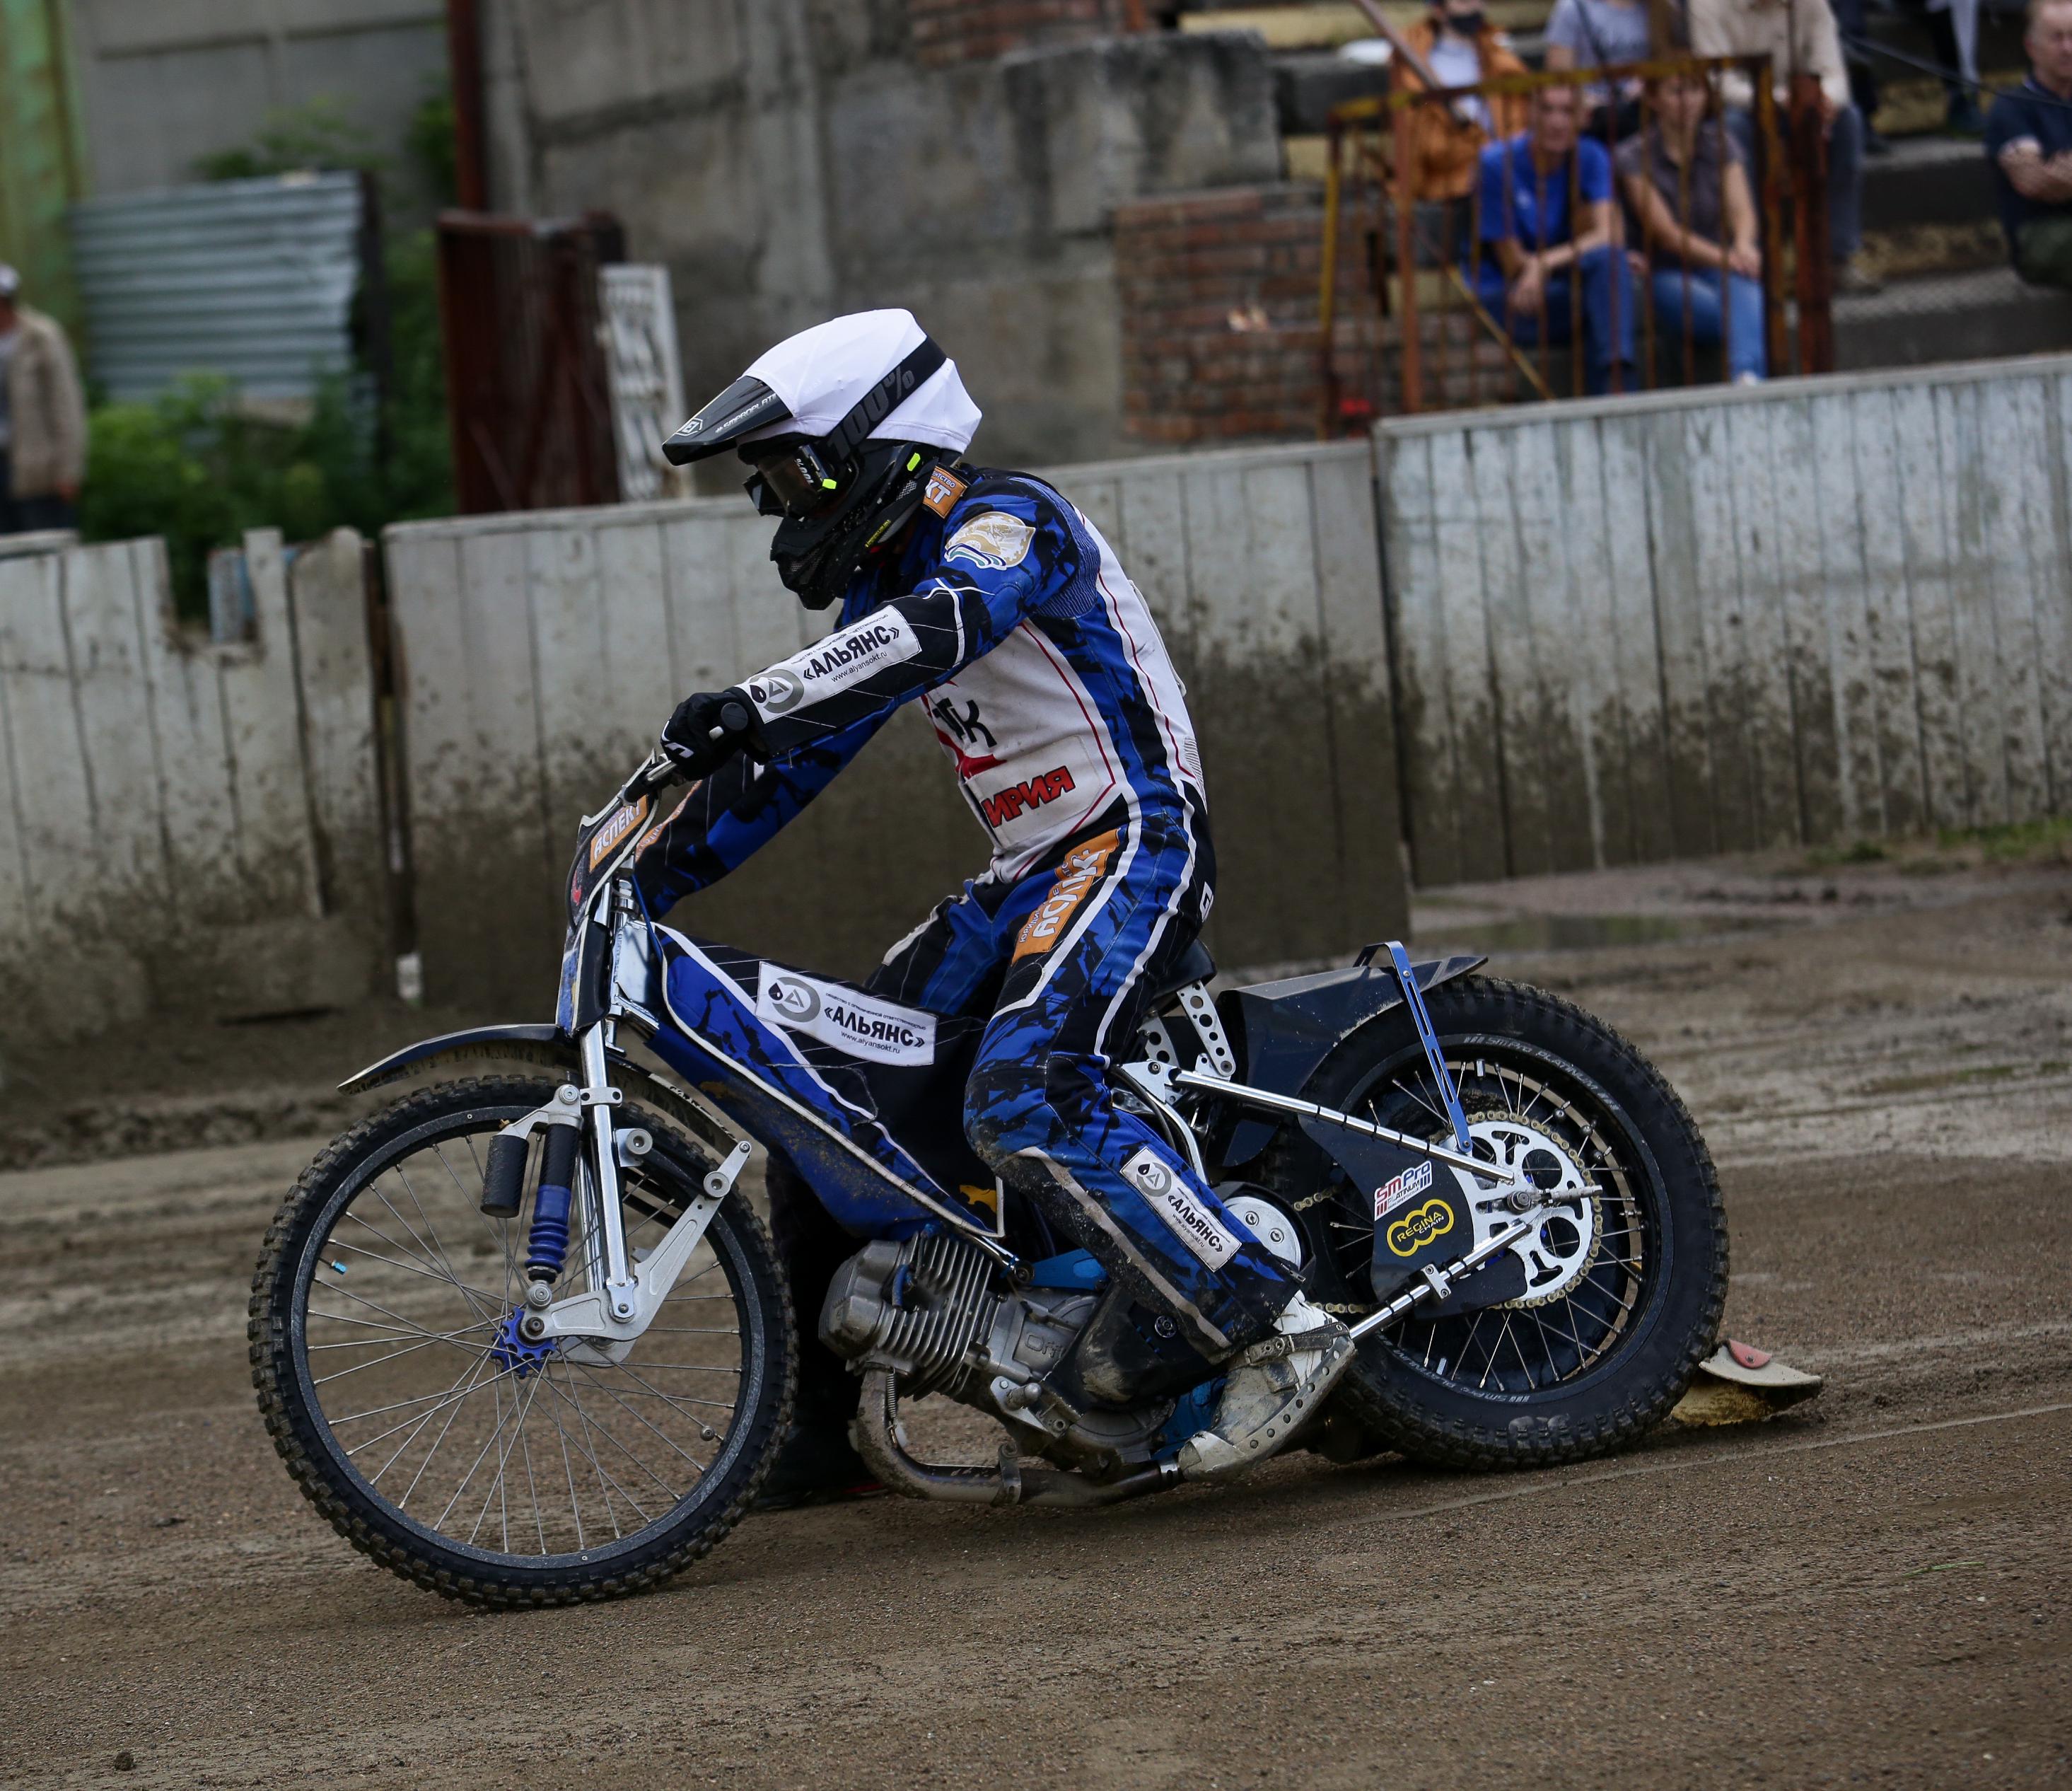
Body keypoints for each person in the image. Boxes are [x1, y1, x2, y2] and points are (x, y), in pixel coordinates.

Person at [638, 309, 1353, 1503]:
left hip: (1135, 838)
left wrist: (759, 696)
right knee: (825, 1105)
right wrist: (647, 870)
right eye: (767, 486)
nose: (781, 506)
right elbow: (800, 760)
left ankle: (1267, 1317)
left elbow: (952, 622)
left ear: (882, 445)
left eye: (795, 471)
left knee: (1024, 1086)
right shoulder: (883, 588)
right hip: (1028, 870)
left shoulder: (1002, 518)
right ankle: (822, 1431)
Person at [1687, 0, 1884, 292]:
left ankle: (1838, 258)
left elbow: (1834, 74)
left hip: (1800, 104)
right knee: (1732, 128)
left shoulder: (1813, 4)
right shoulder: (1706, 6)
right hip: (1745, 108)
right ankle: (1751, 258)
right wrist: (1779, 99)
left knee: (1848, 121)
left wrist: (1823, 101)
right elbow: (1721, 84)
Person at [1473, 83, 1640, 394]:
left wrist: (1544, 262)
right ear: (1529, 112)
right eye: (1547, 109)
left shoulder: (1591, 155)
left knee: (1608, 270)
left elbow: (1608, 234)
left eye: (1567, 111)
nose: (1556, 122)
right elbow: (1513, 263)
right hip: (1513, 294)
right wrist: (1580, 258)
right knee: (1606, 281)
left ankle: (1613, 386)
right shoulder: (1495, 164)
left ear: (1583, 118)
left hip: (1566, 280)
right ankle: (1617, 391)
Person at [1618, 68, 1769, 381]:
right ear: (1653, 99)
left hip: (1722, 267)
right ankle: (1749, 378)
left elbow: (1742, 211)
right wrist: (1732, 259)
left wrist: (1743, 245)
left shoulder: (1722, 144)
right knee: (1733, 309)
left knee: (1743, 289)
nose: (1687, 101)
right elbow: (1666, 234)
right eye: (1676, 91)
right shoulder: (1633, 155)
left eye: (1694, 90)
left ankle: (1748, 380)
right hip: (1663, 271)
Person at [1398, 0, 1532, 261]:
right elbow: (1427, 142)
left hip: (1506, 168)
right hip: (1458, 176)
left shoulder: (1497, 55)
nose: (1475, 6)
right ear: (1439, 8)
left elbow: (1520, 120)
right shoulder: (1417, 67)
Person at [1985, 0, 2072, 286]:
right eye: (2057, 38)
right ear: (2031, 46)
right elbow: (2033, 180)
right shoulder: (2011, 106)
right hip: (2041, 236)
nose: (2067, 48)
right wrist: (2050, 175)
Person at [0, 265, 86, 537]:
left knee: (47, 547)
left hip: (39, 472)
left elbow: (67, 406)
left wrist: (69, 471)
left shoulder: (41, 337)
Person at [1543, 0, 1655, 137]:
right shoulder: (1572, 7)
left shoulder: (1655, 7)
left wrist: (1646, 88)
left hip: (1644, 117)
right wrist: (1586, 102)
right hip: (1592, 120)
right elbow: (1559, 74)